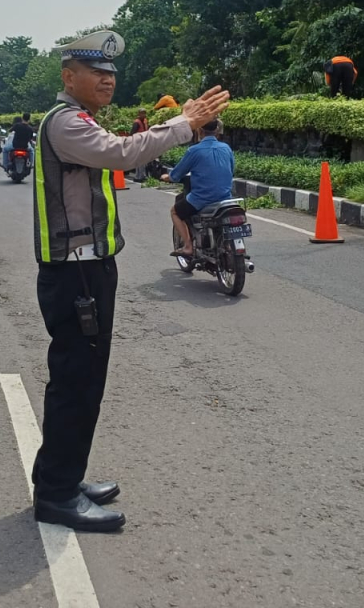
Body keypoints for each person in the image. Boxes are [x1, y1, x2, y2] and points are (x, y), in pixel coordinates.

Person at [30, 30, 229, 532]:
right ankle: (55, 494)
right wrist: (185, 124)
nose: (106, 80)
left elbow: (123, 147)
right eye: (96, 72)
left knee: (83, 381)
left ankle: (62, 477)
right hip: (76, 271)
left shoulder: (77, 121)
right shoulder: (66, 123)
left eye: (112, 74)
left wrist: (179, 121)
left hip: (88, 266)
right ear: (68, 76)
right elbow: (123, 153)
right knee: (78, 382)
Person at [163, 120, 235, 258]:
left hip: (201, 199)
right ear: (217, 130)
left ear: (199, 130)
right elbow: (231, 170)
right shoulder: (226, 148)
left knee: (175, 211)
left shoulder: (194, 150)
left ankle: (188, 246)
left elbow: (176, 175)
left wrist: (167, 177)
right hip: (225, 198)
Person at [130, 108, 150, 181]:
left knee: (143, 160)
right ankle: (139, 176)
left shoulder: (145, 121)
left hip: (144, 142)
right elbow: (132, 133)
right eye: (142, 113)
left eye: (144, 113)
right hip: (138, 143)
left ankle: (142, 175)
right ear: (139, 114)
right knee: (139, 160)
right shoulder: (136, 123)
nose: (143, 115)